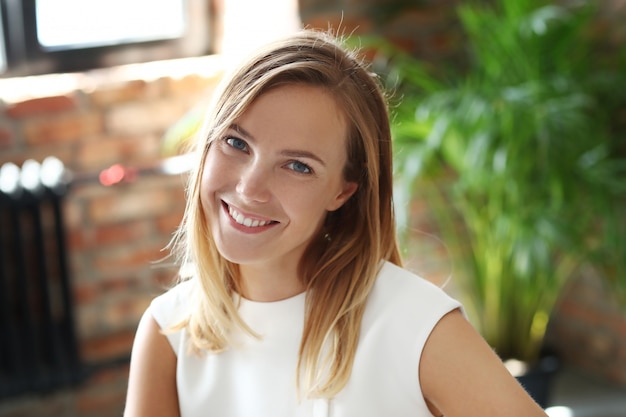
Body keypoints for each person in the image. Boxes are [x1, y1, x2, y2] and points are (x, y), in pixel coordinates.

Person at [124, 29, 548, 417]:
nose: (250, 188)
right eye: (236, 142)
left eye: (297, 166)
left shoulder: (413, 324)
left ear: (343, 191)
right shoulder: (168, 332)